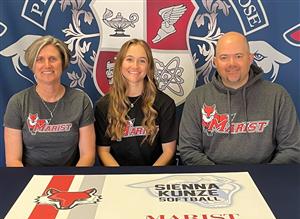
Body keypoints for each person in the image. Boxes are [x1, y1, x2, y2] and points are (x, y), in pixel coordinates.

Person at [179, 31, 300, 165]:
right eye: (224, 57)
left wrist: (265, 175)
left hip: (264, 178)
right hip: (214, 179)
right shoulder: (197, 98)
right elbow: (188, 150)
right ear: (215, 62)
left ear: (250, 58)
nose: (232, 63)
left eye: (238, 56)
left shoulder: (277, 95)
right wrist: (219, 177)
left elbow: (291, 149)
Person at [4, 35, 95, 167]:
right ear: (32, 65)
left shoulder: (80, 100)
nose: (47, 65)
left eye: (53, 59)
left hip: (70, 177)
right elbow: (13, 160)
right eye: (40, 59)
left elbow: (88, 156)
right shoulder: (18, 102)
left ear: (63, 63)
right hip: (30, 178)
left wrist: (69, 182)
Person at [94, 39, 178, 166]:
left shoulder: (165, 104)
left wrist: (148, 178)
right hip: (117, 178)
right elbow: (103, 151)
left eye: (142, 61)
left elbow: (168, 151)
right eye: (129, 59)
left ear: (149, 67)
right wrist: (121, 179)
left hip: (154, 177)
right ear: (120, 64)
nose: (135, 66)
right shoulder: (103, 106)